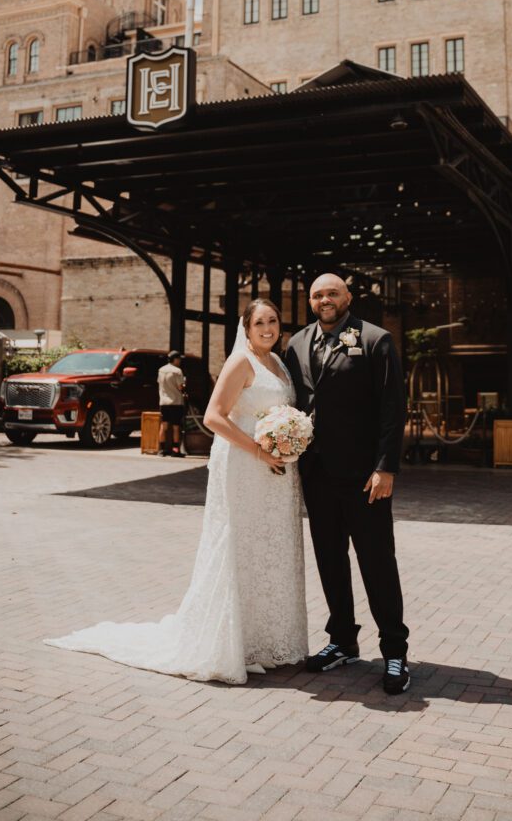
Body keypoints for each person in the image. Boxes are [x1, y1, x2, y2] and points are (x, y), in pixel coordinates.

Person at [45, 299, 308, 684]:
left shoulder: (280, 364)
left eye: (272, 321)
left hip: (276, 471)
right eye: (259, 323)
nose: (267, 328)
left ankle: (264, 640)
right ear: (246, 329)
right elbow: (213, 417)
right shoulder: (242, 363)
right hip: (244, 466)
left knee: (268, 551)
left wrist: (287, 440)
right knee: (240, 548)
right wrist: (257, 449)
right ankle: (234, 642)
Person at [285, 273, 410, 695]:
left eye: (332, 293)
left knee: (377, 563)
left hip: (364, 478)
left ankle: (395, 650)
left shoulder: (376, 340)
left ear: (348, 298)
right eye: (317, 294)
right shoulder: (297, 343)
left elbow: (393, 408)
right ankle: (342, 639)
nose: (325, 300)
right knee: (330, 561)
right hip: (316, 475)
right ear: (310, 301)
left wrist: (385, 467)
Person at [157, 350, 185, 457]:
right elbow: (180, 386)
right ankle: (175, 450)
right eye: (179, 359)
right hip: (176, 402)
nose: (180, 361)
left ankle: (162, 450)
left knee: (163, 426)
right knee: (176, 427)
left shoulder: (161, 370)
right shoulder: (177, 371)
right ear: (175, 359)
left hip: (163, 402)